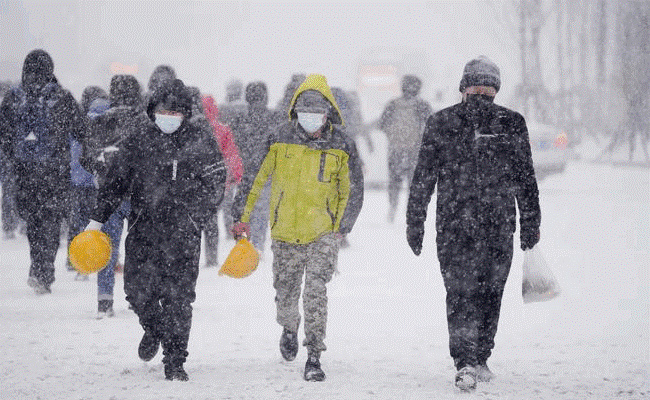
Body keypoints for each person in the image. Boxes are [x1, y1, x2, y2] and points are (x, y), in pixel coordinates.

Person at [405, 56, 541, 391]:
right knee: (461, 293)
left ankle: (480, 355)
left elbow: (526, 178)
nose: (481, 91)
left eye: (487, 85)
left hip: (496, 226)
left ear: (496, 89)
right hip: (456, 228)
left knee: (490, 293)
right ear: (464, 87)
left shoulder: (511, 123)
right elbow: (423, 177)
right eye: (476, 84)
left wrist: (531, 222)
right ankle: (465, 360)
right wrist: (415, 221)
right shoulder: (442, 123)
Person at [86, 78, 226, 380]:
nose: (169, 117)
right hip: (143, 231)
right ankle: (153, 328)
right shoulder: (137, 140)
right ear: (152, 111)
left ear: (186, 114)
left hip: (184, 234)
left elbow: (216, 182)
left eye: (176, 113)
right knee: (137, 292)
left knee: (179, 298)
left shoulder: (200, 140)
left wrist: (196, 215)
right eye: (164, 111)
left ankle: (175, 359)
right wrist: (96, 220)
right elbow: (114, 184)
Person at [231, 74, 364, 381]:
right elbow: (255, 179)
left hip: (324, 232)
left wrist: (342, 225)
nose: (310, 115)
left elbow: (353, 188)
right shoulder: (279, 138)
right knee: (285, 291)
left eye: (317, 109)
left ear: (328, 111)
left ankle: (314, 355)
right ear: (295, 110)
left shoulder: (341, 143)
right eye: (305, 108)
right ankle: (289, 327)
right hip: (284, 231)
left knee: (316, 292)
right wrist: (243, 215)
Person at [0, 49, 85, 294]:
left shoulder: (14, 98)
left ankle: (37, 266)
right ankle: (44, 271)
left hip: (24, 173)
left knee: (34, 223)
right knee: (51, 222)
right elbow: (81, 131)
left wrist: (14, 157)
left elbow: (3, 134)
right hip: (55, 172)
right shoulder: (62, 97)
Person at [81, 75, 148, 318]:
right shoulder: (145, 123)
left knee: (106, 247)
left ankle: (104, 299)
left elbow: (85, 157)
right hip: (139, 194)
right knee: (138, 247)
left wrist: (103, 170)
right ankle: (136, 295)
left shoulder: (101, 122)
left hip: (109, 194)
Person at [67, 86, 108, 279]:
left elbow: (71, 153)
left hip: (77, 182)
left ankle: (74, 258)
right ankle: (96, 259)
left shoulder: (79, 125)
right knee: (97, 225)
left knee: (76, 223)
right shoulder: (108, 126)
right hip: (97, 185)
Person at [379, 74, 432, 223]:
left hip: (395, 149)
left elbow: (382, 124)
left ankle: (393, 208)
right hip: (415, 151)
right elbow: (432, 127)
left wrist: (392, 136)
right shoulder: (423, 105)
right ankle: (412, 211)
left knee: (394, 181)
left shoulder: (392, 104)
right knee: (414, 183)